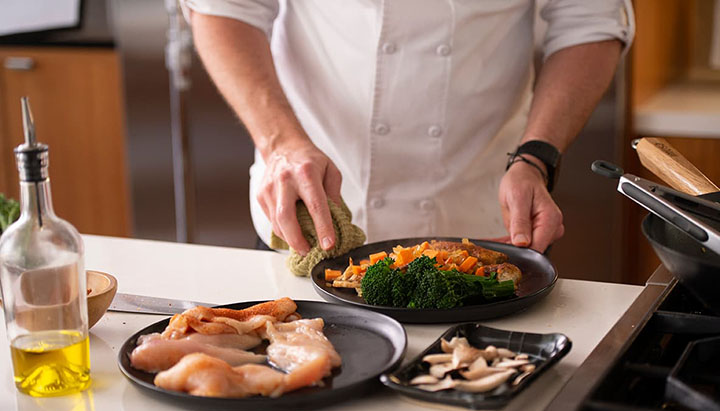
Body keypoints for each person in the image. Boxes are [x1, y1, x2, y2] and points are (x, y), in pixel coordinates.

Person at [180, 0, 634, 254]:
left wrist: (536, 157)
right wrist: (279, 143)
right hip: (306, 210)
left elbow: (588, 21)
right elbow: (226, 8)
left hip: (480, 224)